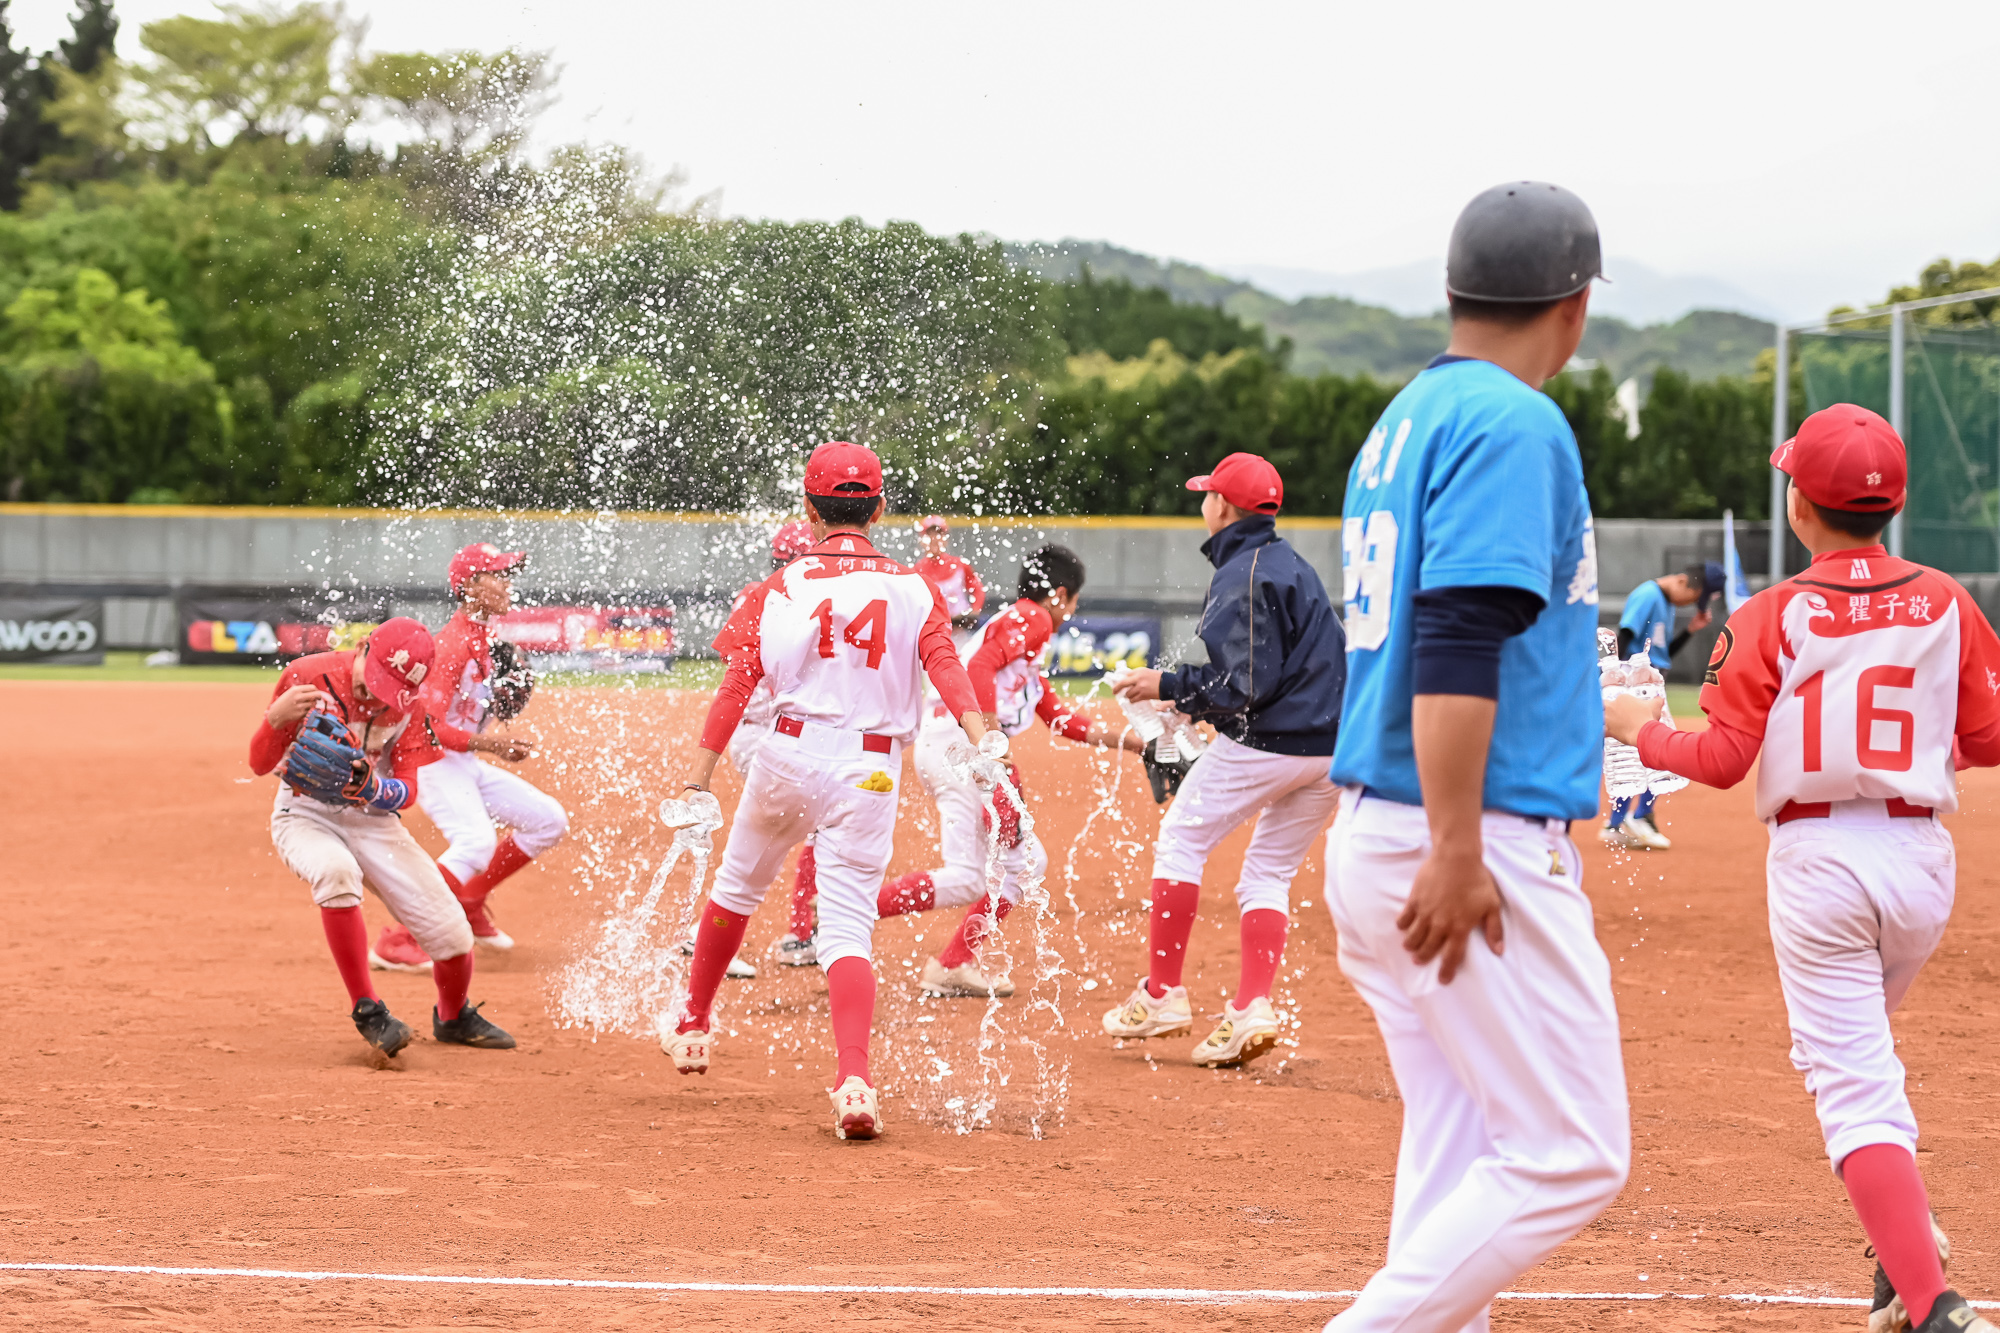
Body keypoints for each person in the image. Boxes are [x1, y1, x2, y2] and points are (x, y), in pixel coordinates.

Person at [1607, 404, 2000, 1333]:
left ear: (1800, 506)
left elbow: (1720, 759)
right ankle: (1901, 1245)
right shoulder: (1948, 599)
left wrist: (1639, 730)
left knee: (1851, 1080)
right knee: (1854, 1056)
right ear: (1894, 503)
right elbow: (1987, 738)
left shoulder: (1769, 613)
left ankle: (1932, 1303)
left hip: (1821, 862)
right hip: (1921, 861)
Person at [1323, 181, 1628, 1331]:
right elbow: (1456, 635)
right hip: (1462, 833)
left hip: (1384, 824)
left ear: (1454, 292)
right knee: (1572, 1151)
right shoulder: (1512, 420)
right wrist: (1455, 848)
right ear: (1574, 307)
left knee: (1458, 1144)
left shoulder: (1405, 417)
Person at [662, 441, 995, 1141]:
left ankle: (693, 1023)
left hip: (787, 753)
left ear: (809, 511)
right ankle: (854, 1081)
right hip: (870, 769)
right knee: (847, 929)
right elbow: (945, 665)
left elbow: (737, 685)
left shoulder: (780, 585)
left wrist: (699, 775)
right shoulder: (914, 587)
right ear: (880, 507)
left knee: (736, 889)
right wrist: (980, 733)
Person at [1101, 450, 1345, 1068]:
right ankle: (1250, 1009)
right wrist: (1190, 704)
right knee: (1267, 874)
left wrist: (1167, 685)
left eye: (1208, 494)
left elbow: (1244, 685)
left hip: (1273, 744)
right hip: (1332, 749)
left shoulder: (1242, 572)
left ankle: (1162, 995)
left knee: (1180, 842)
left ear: (1223, 506)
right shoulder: (1292, 564)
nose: (1204, 502)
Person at [877, 544, 1147, 998]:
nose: (1070, 611)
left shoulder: (1021, 642)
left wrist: (1135, 744)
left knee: (983, 873)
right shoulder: (1034, 617)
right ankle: (931, 951)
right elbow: (979, 666)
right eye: (1073, 600)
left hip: (946, 745)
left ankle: (885, 924)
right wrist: (992, 742)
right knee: (1015, 867)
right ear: (1059, 594)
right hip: (962, 748)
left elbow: (1060, 718)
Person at [250, 617, 515, 1056]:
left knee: (453, 934)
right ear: (362, 648)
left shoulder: (409, 707)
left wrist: (375, 788)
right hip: (305, 813)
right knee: (336, 872)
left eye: (390, 688)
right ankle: (368, 1010)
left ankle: (453, 1018)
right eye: (375, 680)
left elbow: (408, 790)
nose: (376, 694)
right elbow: (259, 764)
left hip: (373, 820)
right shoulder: (306, 676)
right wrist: (273, 720)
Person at [370, 543, 570, 971]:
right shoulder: (452, 644)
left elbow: (469, 710)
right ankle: (400, 939)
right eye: (498, 575)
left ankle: (470, 900)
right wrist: (491, 745)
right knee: (475, 842)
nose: (507, 584)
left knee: (549, 821)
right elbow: (427, 726)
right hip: (432, 761)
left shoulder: (485, 639)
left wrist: (495, 708)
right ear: (471, 586)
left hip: (461, 761)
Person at [707, 519, 821, 975]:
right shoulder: (785, 600)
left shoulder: (762, 594)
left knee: (791, 830)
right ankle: (799, 934)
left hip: (764, 734)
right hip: (762, 736)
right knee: (775, 838)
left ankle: (804, 932)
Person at [1601, 559, 1724, 850]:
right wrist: (1617, 682)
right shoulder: (1648, 595)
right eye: (1693, 597)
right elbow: (1625, 635)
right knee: (1657, 749)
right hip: (1638, 685)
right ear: (1681, 581)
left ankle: (1616, 823)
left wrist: (1690, 630)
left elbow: (1663, 653)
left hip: (1648, 682)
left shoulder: (1665, 602)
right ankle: (1640, 817)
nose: (1691, 603)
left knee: (1636, 752)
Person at [912, 514, 985, 634]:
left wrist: (975, 609)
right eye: (929, 534)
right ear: (921, 540)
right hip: (933, 631)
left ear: (946, 539)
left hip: (961, 628)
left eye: (939, 534)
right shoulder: (916, 571)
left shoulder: (960, 565)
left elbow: (978, 589)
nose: (934, 538)